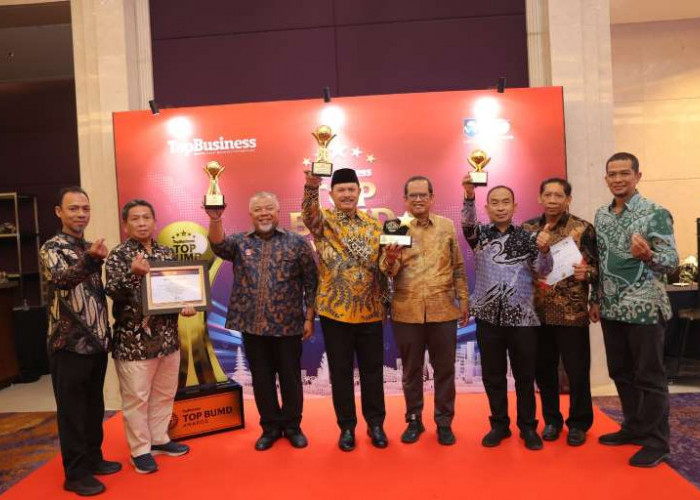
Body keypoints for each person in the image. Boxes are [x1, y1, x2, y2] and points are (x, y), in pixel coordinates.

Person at [207, 192, 318, 451]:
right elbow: (218, 245)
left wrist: (310, 317)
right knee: (261, 379)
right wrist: (215, 219)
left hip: (288, 326)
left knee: (290, 378)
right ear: (251, 214)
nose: (264, 213)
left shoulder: (297, 242)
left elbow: (311, 282)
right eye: (258, 209)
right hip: (252, 326)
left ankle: (292, 427)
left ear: (278, 212)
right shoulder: (239, 242)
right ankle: (270, 427)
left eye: (269, 208)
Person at [593, 152, 678, 467]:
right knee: (621, 373)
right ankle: (634, 427)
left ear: (637, 176)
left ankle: (657, 441)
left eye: (624, 173)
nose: (618, 179)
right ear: (606, 179)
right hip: (611, 308)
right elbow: (601, 262)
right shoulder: (602, 215)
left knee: (650, 377)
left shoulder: (655, 213)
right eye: (612, 174)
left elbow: (672, 262)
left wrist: (649, 256)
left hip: (644, 308)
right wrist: (595, 299)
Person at [461, 178, 553, 451]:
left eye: (505, 202)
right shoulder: (480, 236)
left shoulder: (529, 238)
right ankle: (499, 425)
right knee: (493, 375)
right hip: (488, 318)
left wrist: (545, 250)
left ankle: (528, 427)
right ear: (487, 208)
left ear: (515, 206)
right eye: (495, 203)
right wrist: (469, 195)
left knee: (525, 376)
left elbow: (544, 271)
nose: (500, 207)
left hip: (522, 319)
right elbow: (467, 224)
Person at [40, 186, 120, 497]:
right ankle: (75, 474)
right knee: (72, 411)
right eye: (73, 208)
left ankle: (93, 458)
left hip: (96, 343)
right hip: (68, 343)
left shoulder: (88, 246)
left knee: (93, 406)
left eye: (85, 208)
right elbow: (62, 280)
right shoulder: (52, 247)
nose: (80, 214)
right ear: (59, 212)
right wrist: (90, 259)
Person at [303, 168, 388, 451]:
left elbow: (383, 267)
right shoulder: (323, 222)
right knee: (340, 373)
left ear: (359, 192)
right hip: (335, 312)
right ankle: (347, 428)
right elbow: (308, 214)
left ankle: (376, 424)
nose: (347, 194)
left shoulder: (374, 225)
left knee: (373, 371)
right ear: (332, 194)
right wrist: (310, 187)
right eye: (341, 190)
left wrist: (386, 299)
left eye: (352, 189)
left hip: (370, 311)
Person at [105, 199, 193, 474]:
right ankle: (140, 450)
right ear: (126, 225)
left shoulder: (167, 253)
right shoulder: (119, 255)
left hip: (167, 338)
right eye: (135, 218)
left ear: (154, 221)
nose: (142, 223)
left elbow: (178, 289)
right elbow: (113, 291)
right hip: (134, 342)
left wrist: (188, 304)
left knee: (164, 393)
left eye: (146, 217)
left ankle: (159, 438)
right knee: (137, 398)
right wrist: (133, 274)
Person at [380, 176, 469, 445]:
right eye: (413, 195)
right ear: (405, 199)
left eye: (423, 195)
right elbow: (386, 271)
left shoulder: (446, 226)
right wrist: (391, 258)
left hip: (443, 309)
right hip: (407, 311)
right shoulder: (395, 227)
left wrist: (464, 299)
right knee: (411, 371)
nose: (418, 199)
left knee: (445, 370)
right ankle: (414, 421)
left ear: (432, 198)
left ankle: (444, 422)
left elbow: (458, 267)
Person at [522, 178, 597, 446]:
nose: (553, 200)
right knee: (544, 372)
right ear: (540, 197)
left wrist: (588, 275)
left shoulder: (583, 228)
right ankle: (552, 421)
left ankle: (578, 423)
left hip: (572, 312)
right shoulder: (528, 229)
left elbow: (598, 269)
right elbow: (521, 267)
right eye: (548, 195)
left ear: (568, 199)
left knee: (577, 372)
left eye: (559, 195)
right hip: (537, 313)